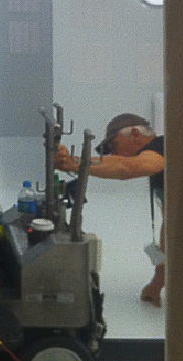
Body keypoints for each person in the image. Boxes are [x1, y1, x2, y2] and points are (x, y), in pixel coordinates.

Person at [55, 113, 165, 306]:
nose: (113, 154)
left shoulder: (161, 146)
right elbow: (170, 229)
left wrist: (73, 163)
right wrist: (158, 283)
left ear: (135, 134)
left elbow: (124, 168)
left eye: (114, 145)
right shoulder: (159, 162)